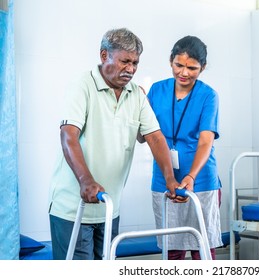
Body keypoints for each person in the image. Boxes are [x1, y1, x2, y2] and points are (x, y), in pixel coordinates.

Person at [48, 28, 179, 260]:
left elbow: (155, 137)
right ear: (103, 55)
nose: (130, 69)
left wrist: (170, 179)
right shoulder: (82, 85)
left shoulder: (136, 94)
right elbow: (68, 135)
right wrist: (85, 180)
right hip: (72, 209)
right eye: (124, 61)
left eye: (135, 63)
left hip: (109, 208)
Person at [147, 35, 223, 260]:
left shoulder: (208, 95)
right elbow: (144, 137)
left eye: (192, 68)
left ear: (203, 67)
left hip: (200, 180)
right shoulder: (156, 90)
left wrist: (191, 175)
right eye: (179, 65)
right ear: (170, 60)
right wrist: (136, 109)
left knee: (202, 249)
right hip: (163, 178)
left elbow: (205, 140)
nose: (184, 73)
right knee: (172, 250)